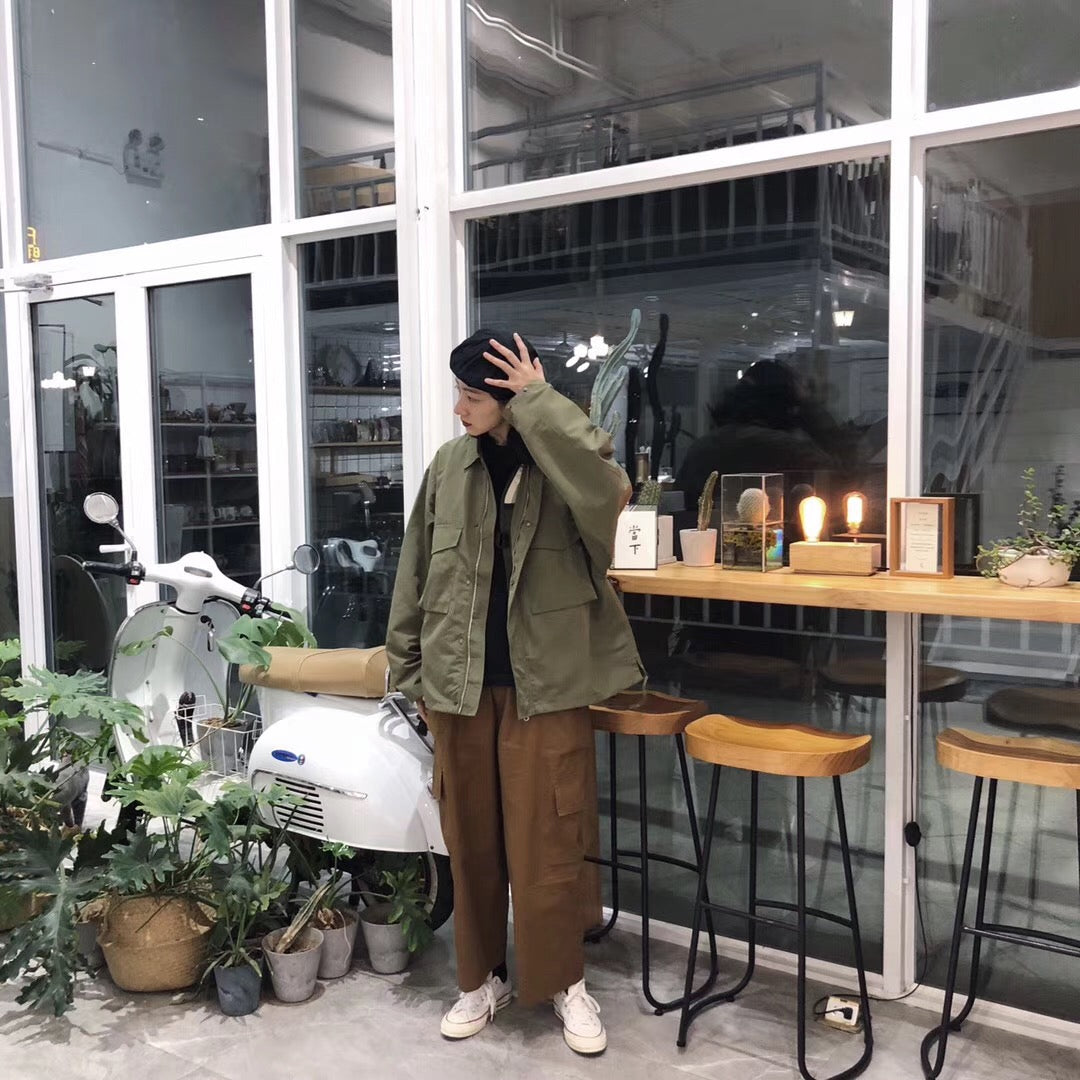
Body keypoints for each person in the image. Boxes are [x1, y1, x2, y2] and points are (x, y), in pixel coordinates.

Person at [386, 329, 643, 1056]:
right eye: (459, 394)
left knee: (551, 841)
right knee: (469, 840)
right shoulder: (448, 466)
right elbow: (414, 572)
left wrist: (539, 399)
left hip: (546, 686)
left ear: (508, 401)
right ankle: (481, 978)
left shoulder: (563, 468)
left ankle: (565, 982)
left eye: (473, 397)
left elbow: (609, 489)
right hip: (459, 686)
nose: (460, 409)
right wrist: (408, 671)